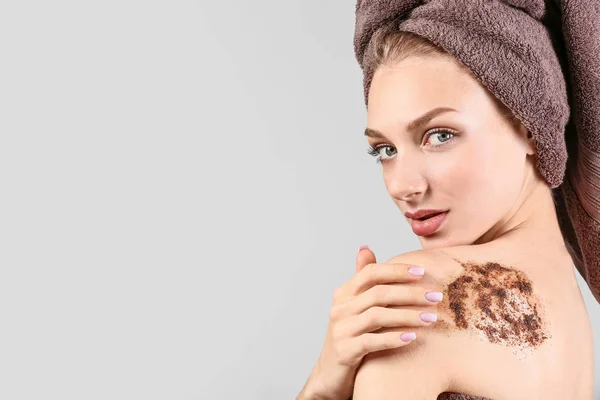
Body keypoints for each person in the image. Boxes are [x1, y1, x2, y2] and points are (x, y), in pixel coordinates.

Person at [297, 28, 594, 400]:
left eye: (439, 135)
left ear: (532, 127)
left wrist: (321, 388)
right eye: (385, 150)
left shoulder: (419, 300)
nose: (402, 186)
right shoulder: (569, 305)